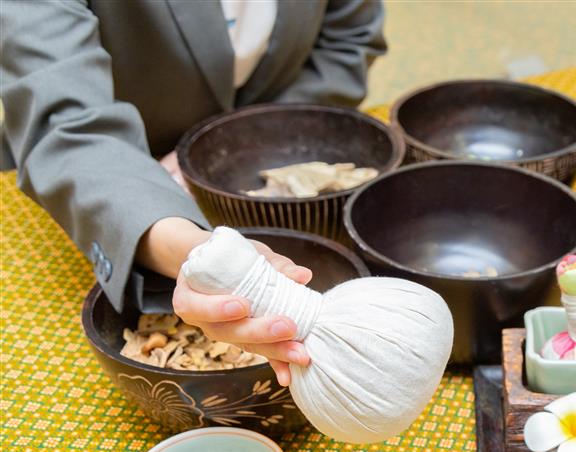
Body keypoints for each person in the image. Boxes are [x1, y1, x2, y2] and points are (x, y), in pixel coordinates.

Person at [1, 0, 386, 386]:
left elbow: (346, 42)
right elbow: (66, 122)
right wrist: (199, 254)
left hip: (263, 168)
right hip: (108, 183)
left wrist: (224, 148)